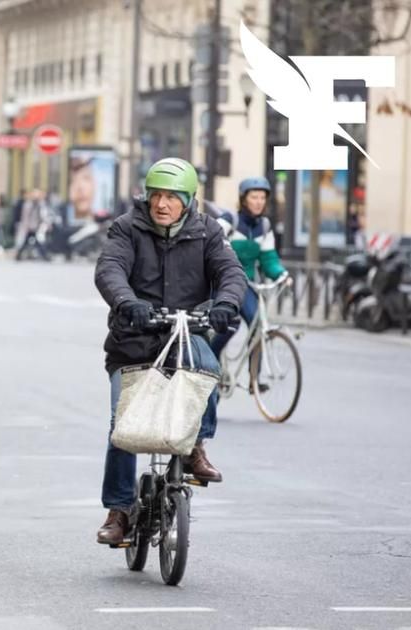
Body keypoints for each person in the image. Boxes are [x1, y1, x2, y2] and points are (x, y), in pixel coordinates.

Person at [93, 157, 246, 546]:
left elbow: (231, 272)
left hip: (184, 334)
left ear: (189, 200)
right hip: (133, 340)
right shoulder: (126, 228)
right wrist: (128, 303)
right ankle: (120, 509)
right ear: (146, 197)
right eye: (156, 195)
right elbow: (109, 270)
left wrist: (225, 303)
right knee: (123, 426)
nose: (162, 204)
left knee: (208, 370)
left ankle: (196, 445)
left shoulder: (207, 231)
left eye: (172, 197)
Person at [210, 176, 289, 365]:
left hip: (248, 284)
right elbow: (209, 241)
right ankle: (211, 360)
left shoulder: (265, 226)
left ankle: (256, 377)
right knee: (229, 324)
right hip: (224, 282)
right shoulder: (231, 220)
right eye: (254, 197)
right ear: (244, 199)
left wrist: (281, 274)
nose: (259, 202)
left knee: (258, 325)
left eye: (262, 198)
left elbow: (269, 259)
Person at [14, 189, 51, 261]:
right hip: (29, 227)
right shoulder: (28, 204)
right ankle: (18, 255)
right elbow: (25, 217)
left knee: (39, 242)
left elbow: (43, 216)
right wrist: (25, 227)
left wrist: (45, 225)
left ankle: (45, 256)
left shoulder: (41, 204)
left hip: (37, 227)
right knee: (25, 242)